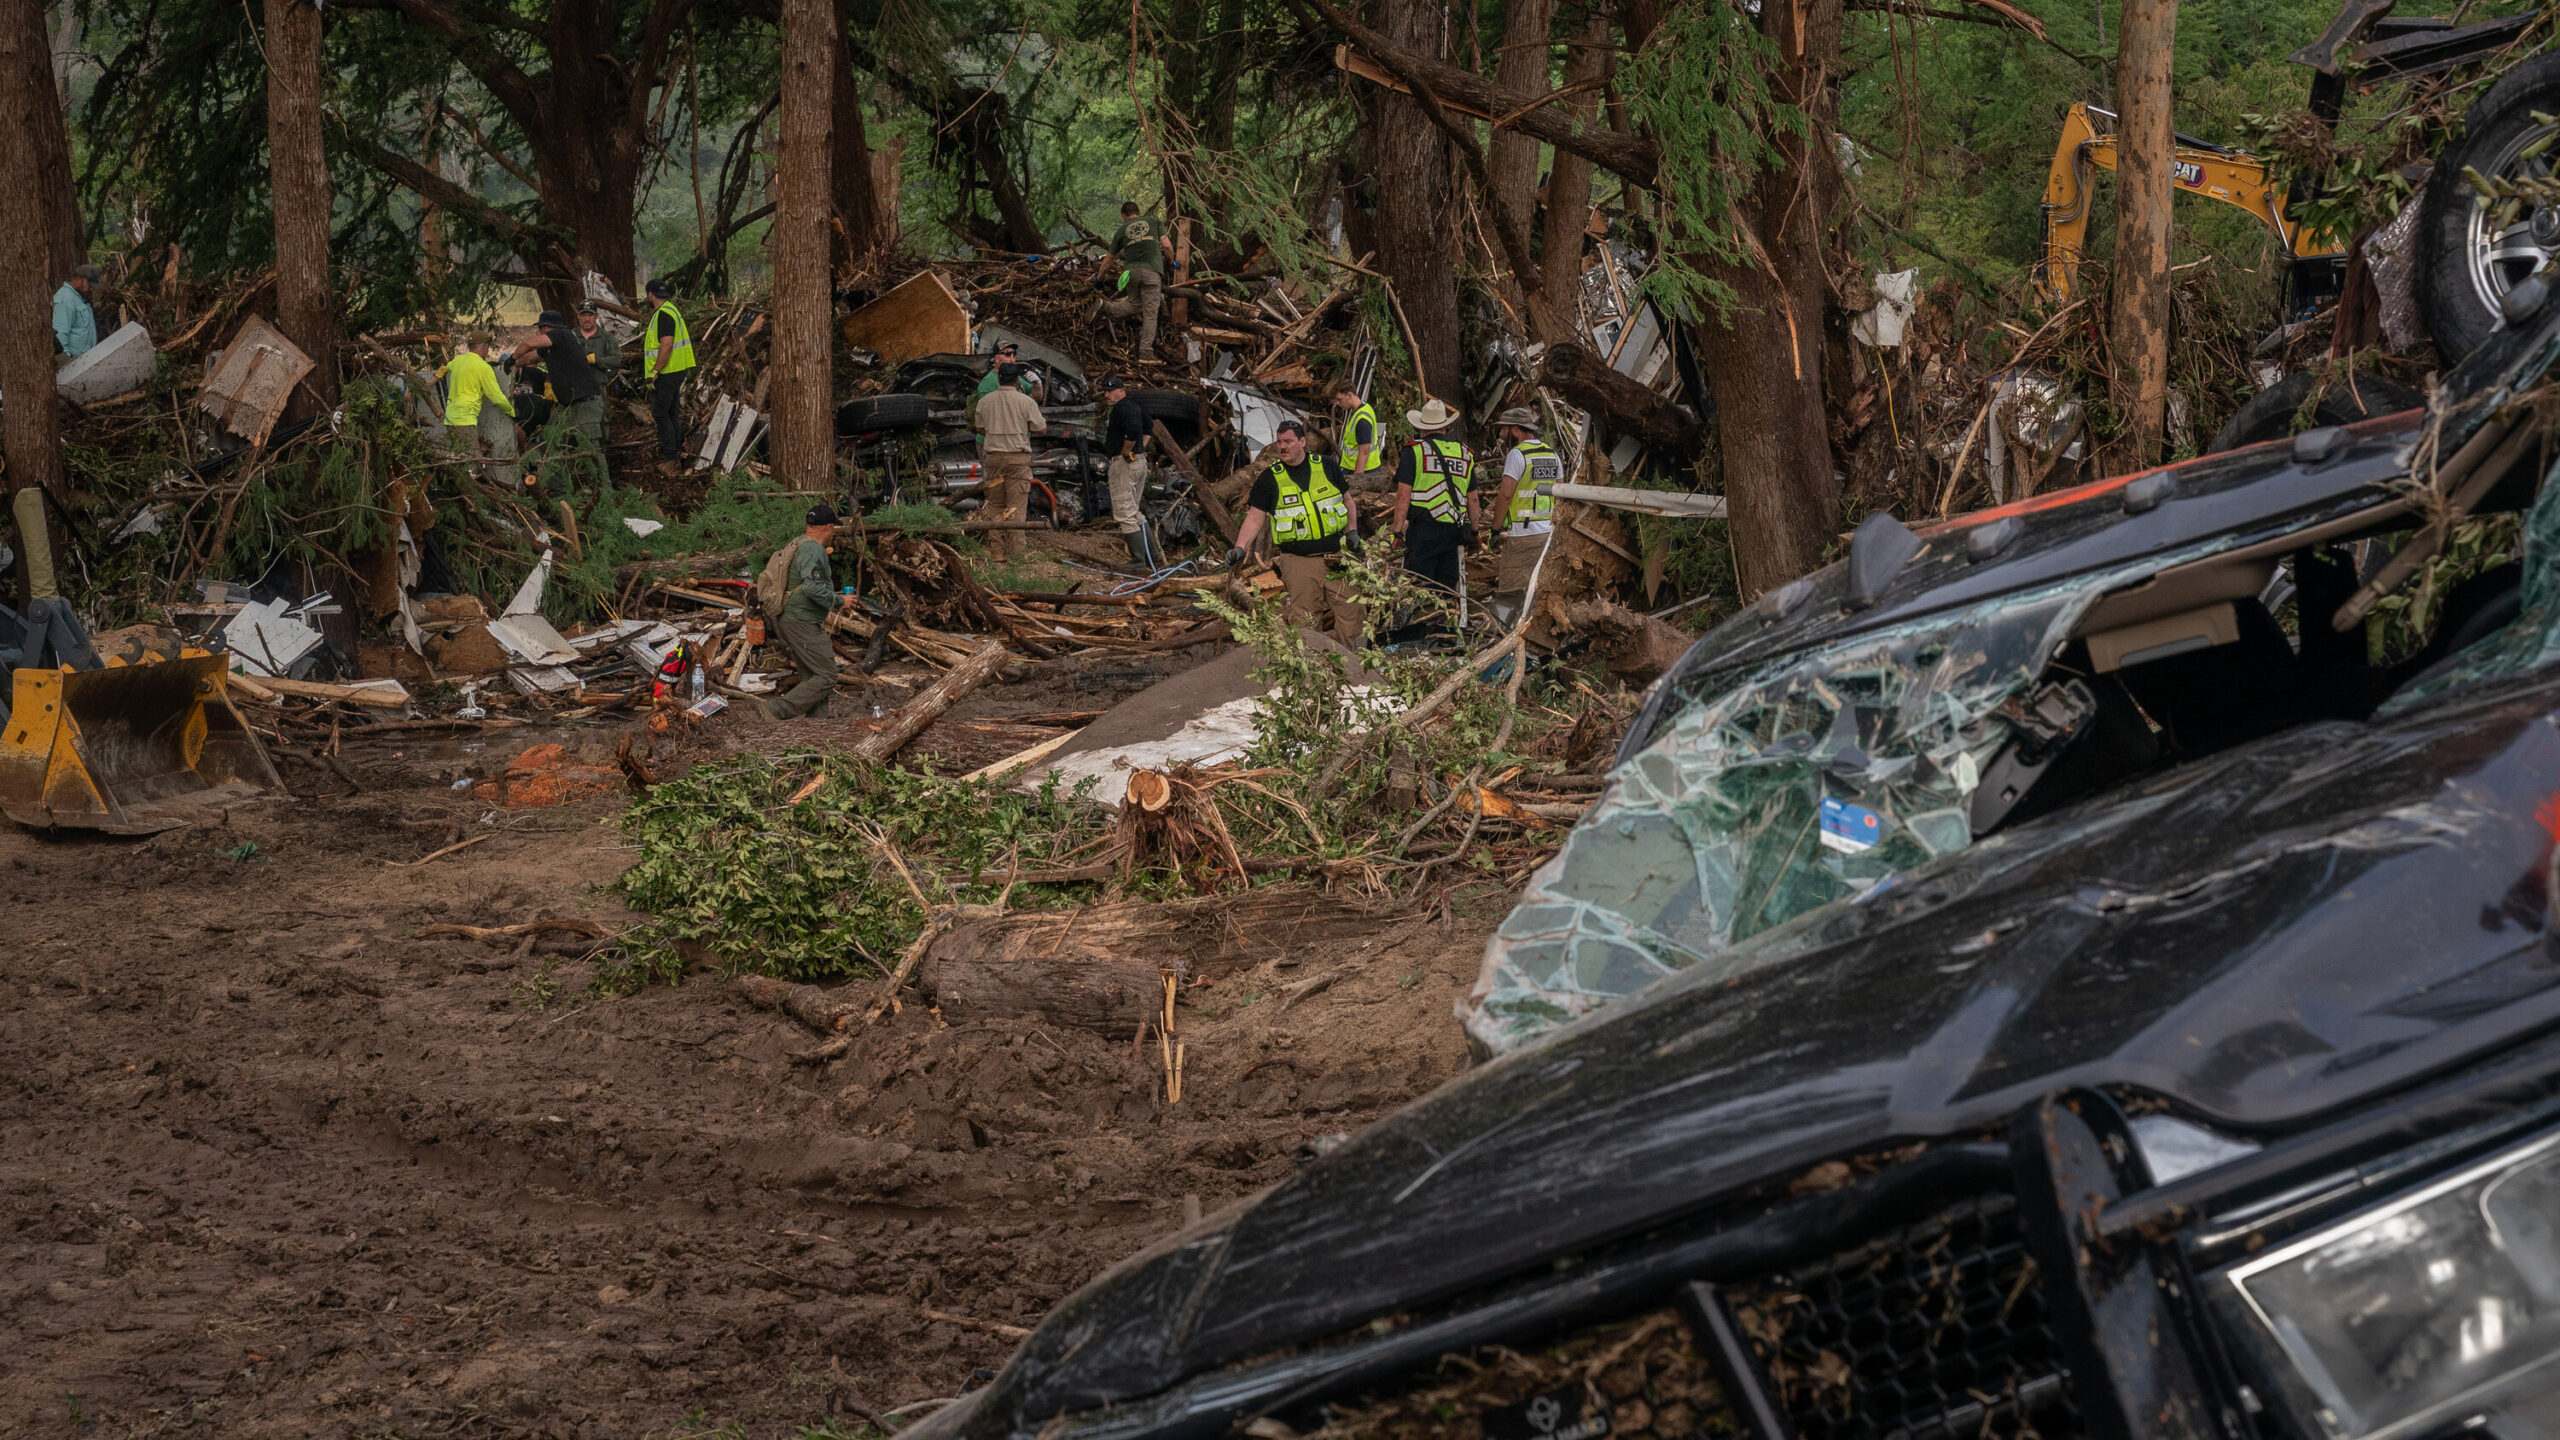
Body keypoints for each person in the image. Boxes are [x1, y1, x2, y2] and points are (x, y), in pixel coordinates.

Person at [1229, 418, 1366, 647]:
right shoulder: (1270, 478)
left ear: (1302, 442)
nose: (1282, 447)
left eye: (1288, 441)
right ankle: (1313, 672)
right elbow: (1255, 517)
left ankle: (1358, 670)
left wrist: (1353, 532)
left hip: (1337, 556)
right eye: (1279, 442)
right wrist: (1240, 547)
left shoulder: (1326, 466)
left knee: (1353, 612)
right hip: (1298, 562)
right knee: (1305, 621)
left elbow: (1348, 501)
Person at [766, 504, 852, 720]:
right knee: (827, 675)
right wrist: (840, 599)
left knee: (813, 679)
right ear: (829, 528)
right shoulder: (813, 549)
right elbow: (812, 587)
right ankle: (775, 710)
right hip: (802, 622)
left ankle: (817, 739)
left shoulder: (797, 543)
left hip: (791, 620)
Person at [1391, 396, 1474, 610]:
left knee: (1417, 587)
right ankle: (1444, 626)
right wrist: (1474, 531)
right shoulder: (1465, 453)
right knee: (1446, 587)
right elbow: (1473, 498)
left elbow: (1403, 496)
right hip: (1454, 530)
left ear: (1422, 427)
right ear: (1445, 426)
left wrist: (1397, 532)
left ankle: (1417, 629)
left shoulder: (1414, 451)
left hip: (1424, 530)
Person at [1485, 406, 1563, 592]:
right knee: (1540, 590)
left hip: (1522, 535)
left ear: (1516, 430)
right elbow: (1560, 493)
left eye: (1504, 429)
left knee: (1513, 591)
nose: (1502, 434)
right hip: (1548, 534)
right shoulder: (1552, 455)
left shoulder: (1517, 454)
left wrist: (1495, 530)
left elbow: (1505, 495)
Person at [974, 362, 1045, 561]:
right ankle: (1017, 554)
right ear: (1016, 380)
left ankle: (996, 551)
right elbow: (1041, 429)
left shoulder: (985, 401)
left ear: (998, 379)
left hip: (993, 459)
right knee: (1016, 507)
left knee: (994, 504)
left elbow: (979, 429)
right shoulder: (1026, 402)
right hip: (1018, 459)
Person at [519, 308, 604, 453]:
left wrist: (513, 357)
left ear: (546, 328)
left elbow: (528, 344)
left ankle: (602, 476)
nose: (540, 331)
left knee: (592, 449)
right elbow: (529, 358)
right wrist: (512, 365)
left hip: (585, 402)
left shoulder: (563, 335)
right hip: (566, 405)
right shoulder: (549, 348)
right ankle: (552, 475)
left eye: (541, 328)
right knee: (551, 442)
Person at [440, 333, 519, 487]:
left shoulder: (457, 361)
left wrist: (433, 379)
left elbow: (445, 367)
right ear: (484, 347)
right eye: (488, 347)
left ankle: (459, 493)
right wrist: (512, 412)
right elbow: (496, 396)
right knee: (473, 465)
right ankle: (473, 499)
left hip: (450, 418)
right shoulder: (483, 367)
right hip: (465, 420)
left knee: (459, 458)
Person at [1098, 377, 1155, 567]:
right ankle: (1151, 556)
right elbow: (1149, 425)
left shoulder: (1122, 408)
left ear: (1121, 390)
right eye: (1104, 391)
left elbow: (1134, 428)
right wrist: (1141, 447)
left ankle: (1138, 560)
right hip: (1138, 461)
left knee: (1125, 511)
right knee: (1134, 511)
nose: (1106, 395)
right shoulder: (1134, 406)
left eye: (1109, 391)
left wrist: (1126, 450)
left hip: (1125, 464)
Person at [1100, 201, 1167, 362]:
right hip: (1151, 272)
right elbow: (1166, 244)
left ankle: (1106, 308)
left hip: (1130, 274)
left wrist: (1099, 277)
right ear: (1138, 211)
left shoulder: (1122, 230)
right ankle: (1145, 352)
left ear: (1124, 215)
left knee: (1135, 303)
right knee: (1151, 312)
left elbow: (1109, 259)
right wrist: (1171, 261)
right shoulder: (1154, 222)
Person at [642, 278, 695, 466]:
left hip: (668, 371)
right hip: (676, 369)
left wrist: (655, 370)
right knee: (671, 412)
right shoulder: (670, 310)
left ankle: (671, 457)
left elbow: (666, 345)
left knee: (660, 413)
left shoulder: (663, 314)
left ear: (650, 294)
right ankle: (676, 451)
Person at [1334, 386, 1384, 492]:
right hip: (1355, 466)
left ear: (1349, 395)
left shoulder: (1362, 420)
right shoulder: (1362, 408)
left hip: (1363, 470)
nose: (1337, 403)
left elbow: (1364, 453)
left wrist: (1356, 480)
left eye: (1339, 399)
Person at [52, 263, 100, 359]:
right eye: (89, 284)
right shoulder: (66, 298)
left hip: (85, 360)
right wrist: (65, 361)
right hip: (74, 362)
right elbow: (61, 332)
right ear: (78, 279)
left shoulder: (78, 298)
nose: (91, 288)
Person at [973, 341, 1046, 402]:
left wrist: (1037, 384)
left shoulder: (1017, 378)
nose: (1012, 360)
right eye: (1007, 354)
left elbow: (1036, 397)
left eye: (1014, 355)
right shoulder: (987, 383)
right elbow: (988, 412)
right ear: (997, 359)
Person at [577, 301, 623, 384]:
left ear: (596, 316)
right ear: (578, 316)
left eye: (590, 315)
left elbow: (617, 360)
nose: (587, 319)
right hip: (576, 388)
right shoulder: (571, 336)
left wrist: (598, 360)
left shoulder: (606, 337)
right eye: (583, 315)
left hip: (598, 389)